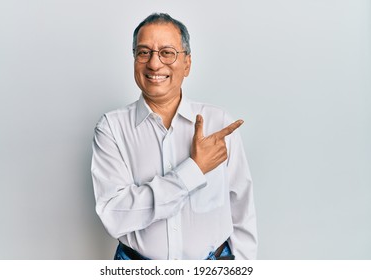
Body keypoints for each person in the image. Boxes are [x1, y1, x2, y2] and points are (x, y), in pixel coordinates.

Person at [91, 13, 257, 260]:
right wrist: (194, 170)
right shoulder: (111, 128)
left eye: (167, 52)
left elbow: (242, 211)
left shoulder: (218, 123)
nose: (154, 64)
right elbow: (115, 216)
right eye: (144, 52)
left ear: (187, 63)